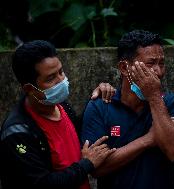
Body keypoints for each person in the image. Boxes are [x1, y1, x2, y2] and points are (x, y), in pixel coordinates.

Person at [0, 40, 116, 189]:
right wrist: (86, 164)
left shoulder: (62, 107)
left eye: (61, 72)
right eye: (50, 78)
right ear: (29, 88)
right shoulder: (17, 133)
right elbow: (42, 183)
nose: (61, 80)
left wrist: (97, 97)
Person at [81, 30, 174, 189]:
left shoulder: (170, 103)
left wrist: (154, 97)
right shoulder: (101, 106)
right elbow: (97, 168)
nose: (158, 71)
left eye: (162, 63)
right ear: (124, 67)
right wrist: (149, 139)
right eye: (150, 64)